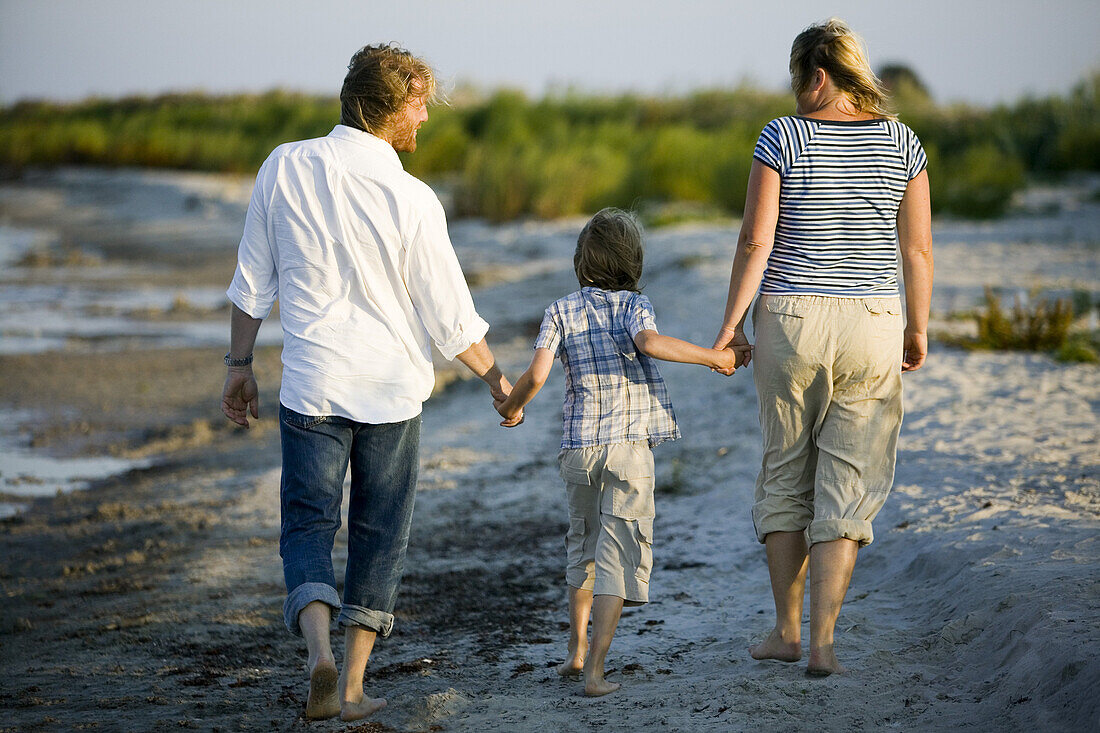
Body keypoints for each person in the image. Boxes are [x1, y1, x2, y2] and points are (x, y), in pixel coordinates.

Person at [220, 44, 513, 721]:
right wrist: (497, 378)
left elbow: (251, 282)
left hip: (312, 385)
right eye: (419, 107)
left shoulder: (283, 165)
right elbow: (450, 319)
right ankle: (349, 687)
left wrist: (239, 366)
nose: (425, 121)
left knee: (307, 525)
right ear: (387, 109)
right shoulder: (412, 198)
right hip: (389, 392)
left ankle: (317, 654)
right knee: (380, 534)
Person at [712, 18, 934, 677]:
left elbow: (756, 242)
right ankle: (824, 643)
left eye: (795, 79)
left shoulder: (782, 136)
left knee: (787, 466)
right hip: (872, 318)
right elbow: (916, 249)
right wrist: (916, 327)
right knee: (847, 476)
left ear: (814, 74)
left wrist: (731, 327)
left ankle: (785, 629)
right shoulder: (902, 142)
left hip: (792, 318)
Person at [494, 208, 745, 696]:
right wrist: (715, 356)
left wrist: (511, 406)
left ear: (581, 261)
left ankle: (574, 652)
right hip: (628, 448)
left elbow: (538, 376)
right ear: (633, 261)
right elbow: (649, 343)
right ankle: (596, 672)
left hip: (579, 449)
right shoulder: (634, 306)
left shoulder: (560, 310)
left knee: (582, 545)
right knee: (618, 553)